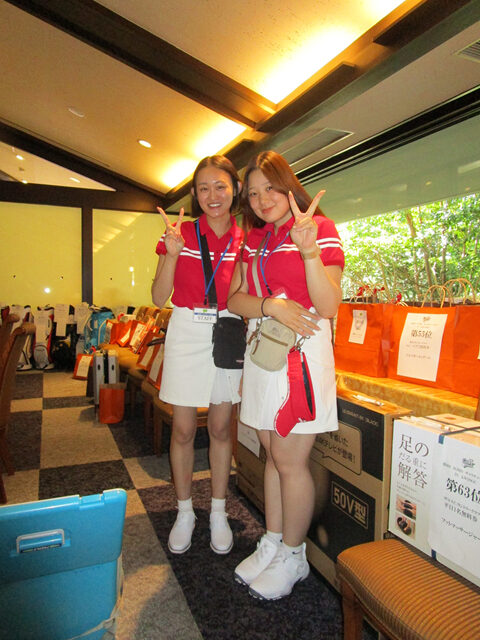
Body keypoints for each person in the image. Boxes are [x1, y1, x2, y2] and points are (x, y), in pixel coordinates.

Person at [227, 150, 344, 600]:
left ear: (288, 185)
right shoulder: (254, 239)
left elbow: (328, 305)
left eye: (270, 188)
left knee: (290, 461)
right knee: (273, 458)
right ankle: (274, 542)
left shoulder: (319, 228)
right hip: (263, 348)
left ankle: (294, 556)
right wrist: (270, 305)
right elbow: (235, 300)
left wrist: (309, 250)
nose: (262, 200)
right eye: (254, 194)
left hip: (302, 355)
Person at [152, 155, 244, 555]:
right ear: (194, 193)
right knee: (184, 429)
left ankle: (218, 511)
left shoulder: (247, 236)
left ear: (235, 189)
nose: (212, 195)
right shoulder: (180, 234)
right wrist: (172, 253)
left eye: (220, 186)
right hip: (187, 329)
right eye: (203, 188)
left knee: (221, 428)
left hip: (228, 330)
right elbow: (159, 297)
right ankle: (185, 510)